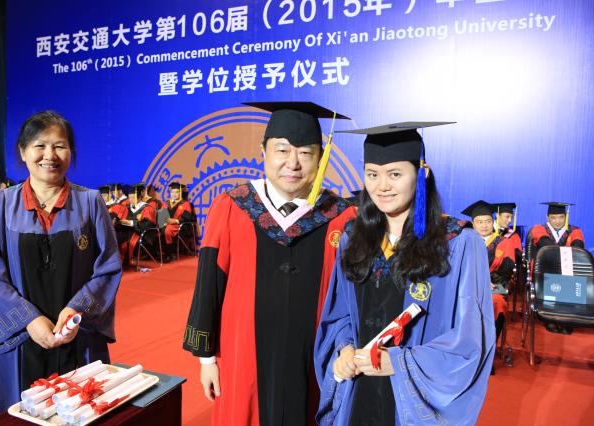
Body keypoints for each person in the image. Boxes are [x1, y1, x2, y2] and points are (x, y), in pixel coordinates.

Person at [183, 102, 356, 425]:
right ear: (263, 152)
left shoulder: (341, 217)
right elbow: (209, 285)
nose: (293, 163)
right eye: (282, 150)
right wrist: (207, 359)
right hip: (242, 359)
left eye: (305, 153)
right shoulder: (232, 207)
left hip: (314, 361)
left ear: (320, 159)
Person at [314, 123, 495, 426]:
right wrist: (343, 349)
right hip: (358, 392)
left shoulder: (458, 243)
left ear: (422, 174)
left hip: (411, 400)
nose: (382, 186)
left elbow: (470, 340)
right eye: (372, 174)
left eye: (395, 174)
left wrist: (399, 363)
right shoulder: (353, 238)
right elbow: (340, 314)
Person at [0, 110, 122, 416]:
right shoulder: (0, 205)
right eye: (39, 146)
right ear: (23, 152)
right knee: (17, 415)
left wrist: (77, 310)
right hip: (18, 338)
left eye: (59, 146)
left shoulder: (90, 203)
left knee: (79, 411)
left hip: (76, 335)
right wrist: (28, 319)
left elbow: (108, 266)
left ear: (71, 152)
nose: (49, 155)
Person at [462, 200, 515, 346]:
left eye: (488, 221)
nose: (484, 225)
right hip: (467, 286)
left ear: (493, 222)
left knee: (497, 302)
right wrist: (477, 280)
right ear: (473, 224)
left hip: (493, 287)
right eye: (479, 222)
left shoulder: (504, 242)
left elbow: (506, 270)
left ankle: (488, 346)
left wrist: (485, 282)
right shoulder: (465, 241)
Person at [528, 202, 585, 334]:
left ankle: (567, 319)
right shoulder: (539, 228)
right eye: (553, 218)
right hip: (545, 269)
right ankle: (550, 318)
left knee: (573, 278)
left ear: (566, 217)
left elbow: (578, 246)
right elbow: (546, 245)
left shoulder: (574, 230)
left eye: (561, 217)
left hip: (567, 270)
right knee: (551, 280)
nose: (557, 221)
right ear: (547, 217)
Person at [162, 182, 194, 260]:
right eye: (172, 192)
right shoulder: (166, 203)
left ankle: (169, 253)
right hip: (166, 224)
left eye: (177, 192)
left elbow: (187, 217)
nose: (174, 194)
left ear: (180, 193)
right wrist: (164, 221)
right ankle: (161, 253)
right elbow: (161, 216)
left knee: (168, 230)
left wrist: (175, 221)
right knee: (161, 229)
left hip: (179, 225)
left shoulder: (185, 204)